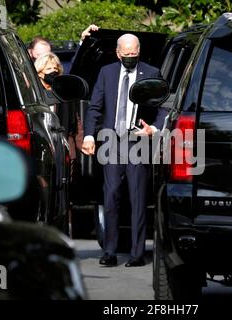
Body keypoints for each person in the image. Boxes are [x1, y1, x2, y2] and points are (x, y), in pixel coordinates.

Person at [82, 33, 168, 267]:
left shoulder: (151, 73)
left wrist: (155, 129)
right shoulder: (107, 73)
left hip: (137, 141)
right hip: (111, 141)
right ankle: (109, 250)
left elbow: (162, 107)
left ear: (139, 51)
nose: (131, 57)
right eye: (126, 54)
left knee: (137, 198)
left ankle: (137, 253)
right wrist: (89, 135)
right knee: (111, 196)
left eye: (134, 53)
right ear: (117, 53)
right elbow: (95, 107)